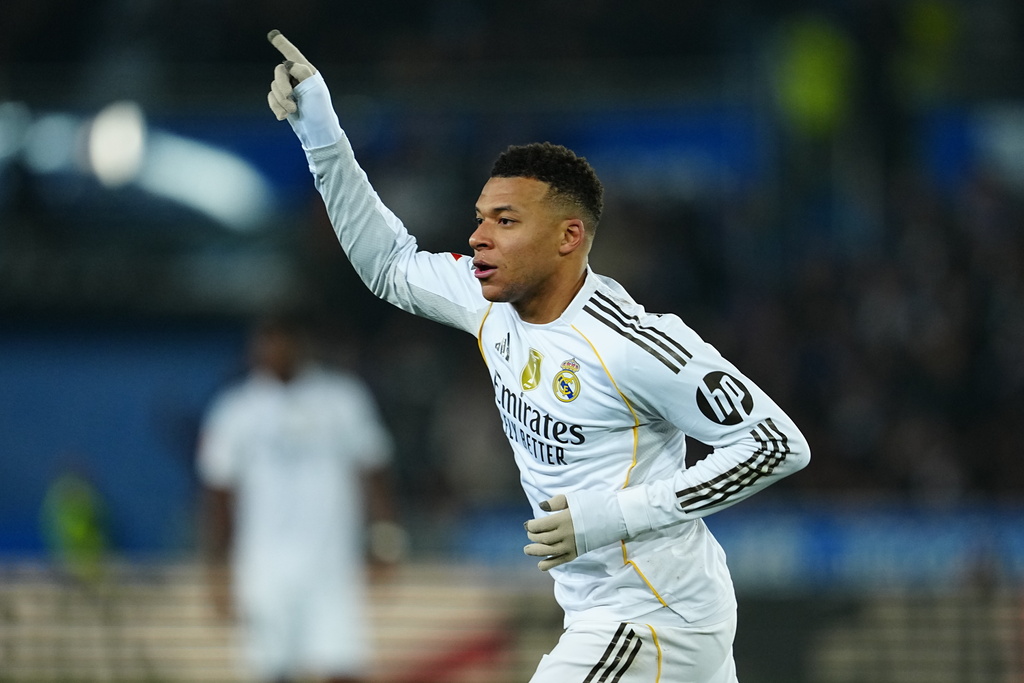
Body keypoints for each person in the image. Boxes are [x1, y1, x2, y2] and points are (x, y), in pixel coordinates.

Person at [265, 30, 811, 682]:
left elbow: (777, 444)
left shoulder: (632, 344)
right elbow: (387, 264)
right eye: (480, 218)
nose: (478, 236)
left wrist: (615, 516)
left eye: (505, 221)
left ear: (567, 237)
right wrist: (320, 130)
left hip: (653, 615)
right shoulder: (487, 303)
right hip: (618, 609)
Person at [197, 314, 399, 683]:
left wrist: (385, 540)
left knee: (342, 665)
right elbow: (218, 493)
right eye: (267, 341)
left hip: (331, 563)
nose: (275, 350)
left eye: (284, 340)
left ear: (301, 344)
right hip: (263, 566)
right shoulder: (236, 410)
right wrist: (217, 568)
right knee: (270, 669)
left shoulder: (342, 399)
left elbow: (374, 470)